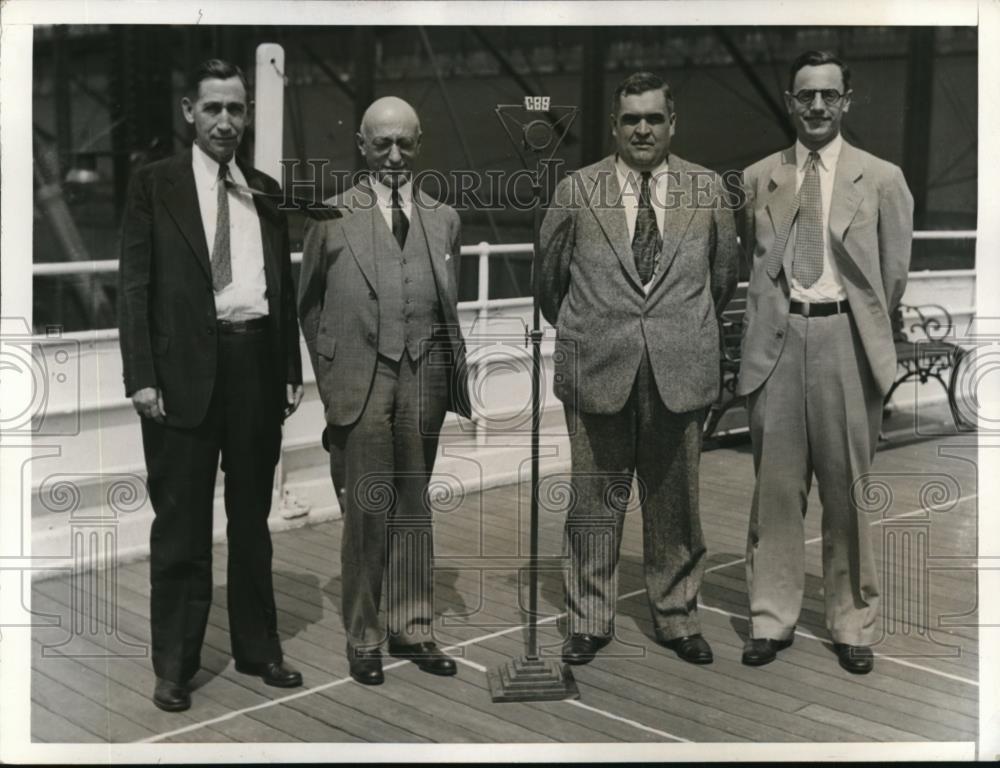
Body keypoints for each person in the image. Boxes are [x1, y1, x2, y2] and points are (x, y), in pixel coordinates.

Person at [118, 58, 305, 712]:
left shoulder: (262, 189)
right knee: (182, 528)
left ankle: (259, 649)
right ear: (188, 112)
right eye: (214, 108)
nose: (226, 121)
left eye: (237, 108)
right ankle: (174, 666)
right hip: (182, 378)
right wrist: (141, 377)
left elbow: (276, 286)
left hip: (255, 367)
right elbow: (135, 287)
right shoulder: (154, 184)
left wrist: (288, 369)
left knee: (251, 522)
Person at [536, 72, 738, 666]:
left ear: (672, 123)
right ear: (614, 127)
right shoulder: (577, 191)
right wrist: (599, 327)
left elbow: (722, 277)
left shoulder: (707, 190)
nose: (643, 129)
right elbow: (550, 284)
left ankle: (677, 617)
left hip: (679, 368)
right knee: (593, 503)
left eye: (653, 118)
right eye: (631, 119)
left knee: (676, 504)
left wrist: (678, 328)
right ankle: (589, 620)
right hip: (599, 367)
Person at [737, 50, 913, 674]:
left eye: (828, 96)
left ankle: (851, 621)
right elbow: (751, 266)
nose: (817, 106)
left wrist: (856, 334)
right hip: (779, 346)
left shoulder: (882, 178)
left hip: (845, 344)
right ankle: (770, 617)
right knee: (778, 490)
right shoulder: (760, 177)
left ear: (846, 102)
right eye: (805, 95)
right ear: (790, 101)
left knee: (848, 493)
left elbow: (891, 277)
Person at [298, 96, 470, 686]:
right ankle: (365, 636)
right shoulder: (330, 217)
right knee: (368, 510)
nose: (393, 155)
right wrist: (333, 376)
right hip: (362, 381)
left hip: (425, 377)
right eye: (381, 144)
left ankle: (414, 626)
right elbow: (310, 305)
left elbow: (444, 298)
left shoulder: (443, 218)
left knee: (415, 506)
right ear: (362, 147)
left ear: (418, 144)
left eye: (404, 143)